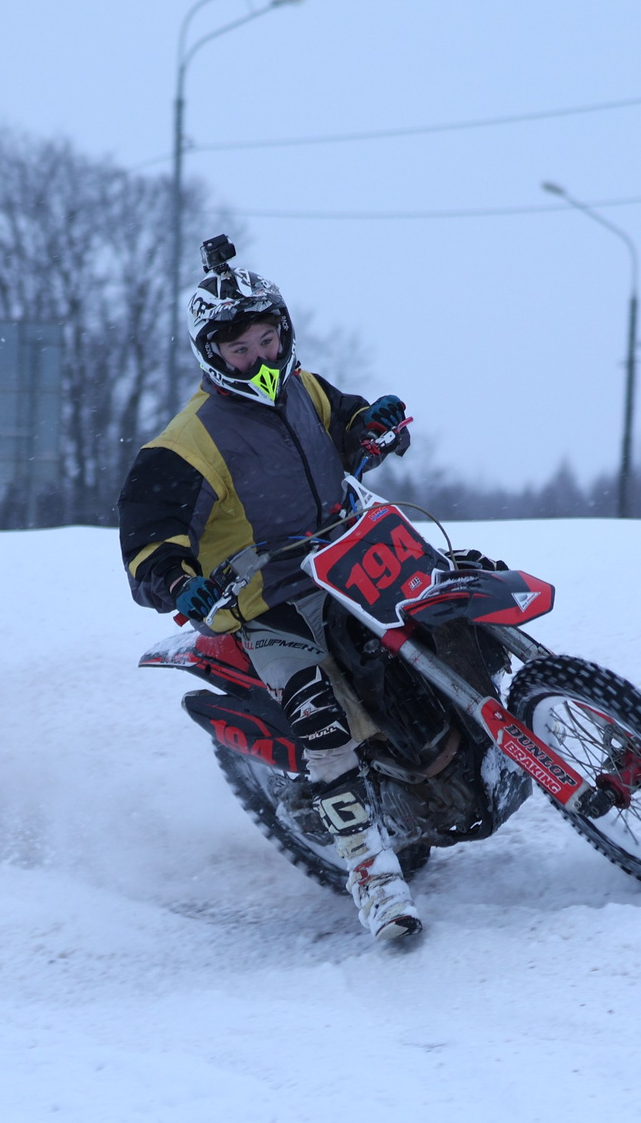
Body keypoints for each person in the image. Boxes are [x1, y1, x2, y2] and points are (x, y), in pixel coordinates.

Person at [117, 241, 421, 943]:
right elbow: (149, 531)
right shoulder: (186, 442)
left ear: (284, 330)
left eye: (268, 337)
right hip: (266, 602)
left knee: (448, 606)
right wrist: (177, 580)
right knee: (322, 720)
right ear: (210, 355)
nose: (258, 356)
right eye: (239, 349)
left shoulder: (303, 388)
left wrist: (371, 425)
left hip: (349, 558)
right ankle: (375, 880)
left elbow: (343, 426)